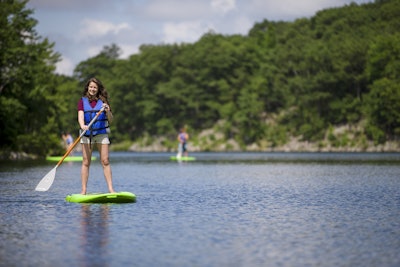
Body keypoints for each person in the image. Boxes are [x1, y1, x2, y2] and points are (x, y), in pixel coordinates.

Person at [78, 77, 116, 195]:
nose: (93, 89)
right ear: (87, 88)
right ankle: (83, 190)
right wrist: (83, 125)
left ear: (98, 89)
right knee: (86, 162)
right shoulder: (82, 101)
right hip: (86, 134)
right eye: (91, 87)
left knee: (105, 161)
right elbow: (80, 116)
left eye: (95, 87)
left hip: (101, 134)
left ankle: (111, 189)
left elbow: (111, 120)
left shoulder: (103, 102)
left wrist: (107, 111)